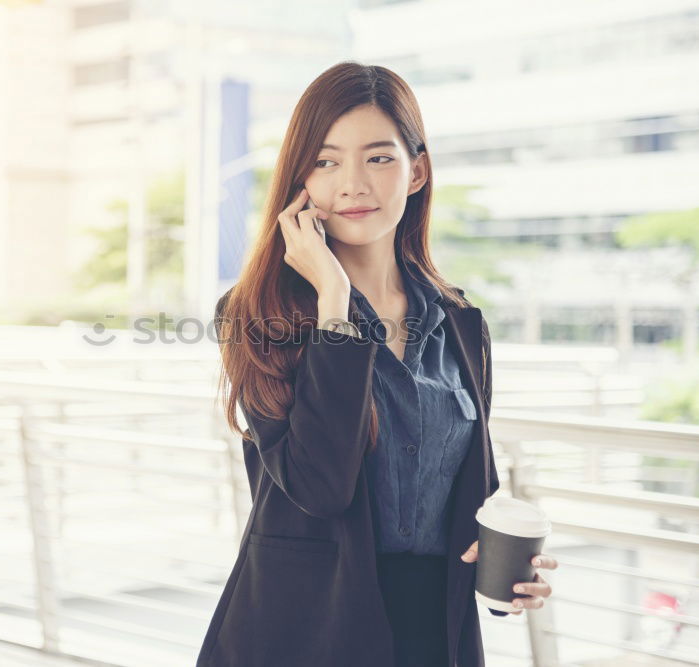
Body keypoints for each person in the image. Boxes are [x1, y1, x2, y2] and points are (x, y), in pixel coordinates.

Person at [197, 61, 557, 667]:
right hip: (303, 631)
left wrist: (507, 571)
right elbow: (319, 486)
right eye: (326, 161)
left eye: (379, 158)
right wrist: (333, 307)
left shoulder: (459, 321)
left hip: (432, 632)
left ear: (416, 171)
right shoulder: (256, 312)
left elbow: (468, 486)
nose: (353, 185)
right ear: (300, 181)